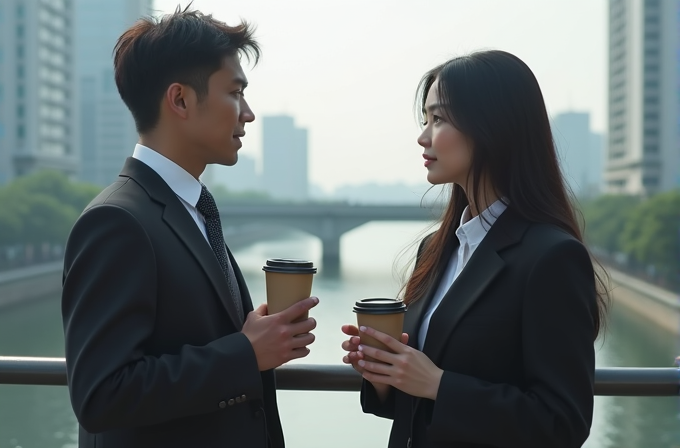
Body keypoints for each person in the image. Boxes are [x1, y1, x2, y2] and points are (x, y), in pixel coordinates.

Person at [61, 7, 318, 448]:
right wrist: (245, 353)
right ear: (180, 100)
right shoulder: (117, 221)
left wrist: (252, 338)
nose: (248, 114)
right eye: (235, 93)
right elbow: (101, 395)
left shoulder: (194, 209)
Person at [341, 50, 608, 448]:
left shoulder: (551, 257)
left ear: (492, 128)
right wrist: (385, 373)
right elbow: (417, 407)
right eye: (425, 119)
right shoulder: (437, 248)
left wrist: (438, 384)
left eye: (440, 119)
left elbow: (562, 422)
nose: (423, 136)